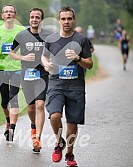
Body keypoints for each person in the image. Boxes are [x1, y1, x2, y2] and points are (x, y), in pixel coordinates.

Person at [41, 7, 93, 166]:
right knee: (55, 116)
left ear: (73, 20)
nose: (66, 22)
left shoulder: (81, 40)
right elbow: (44, 56)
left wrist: (78, 59)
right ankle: (59, 142)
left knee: (72, 123)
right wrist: (46, 64)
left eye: (69, 19)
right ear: (59, 20)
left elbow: (90, 64)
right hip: (56, 84)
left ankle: (69, 154)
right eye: (63, 19)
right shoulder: (51, 39)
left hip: (75, 87)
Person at [9, 7, 51, 152]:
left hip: (42, 75)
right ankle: (33, 126)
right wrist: (23, 57)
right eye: (32, 17)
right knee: (31, 107)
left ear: (41, 19)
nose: (34, 19)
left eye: (37, 17)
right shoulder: (21, 35)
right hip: (26, 74)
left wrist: (49, 63)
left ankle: (37, 138)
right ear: (29, 19)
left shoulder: (48, 36)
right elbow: (11, 53)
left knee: (40, 105)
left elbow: (55, 51)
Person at [0, 4, 25, 142]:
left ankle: (12, 129)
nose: (8, 14)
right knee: (4, 101)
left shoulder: (22, 31)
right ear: (2, 15)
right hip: (1, 68)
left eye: (11, 12)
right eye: (6, 12)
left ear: (15, 15)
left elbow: (30, 44)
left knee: (13, 98)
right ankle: (8, 121)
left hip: (17, 68)